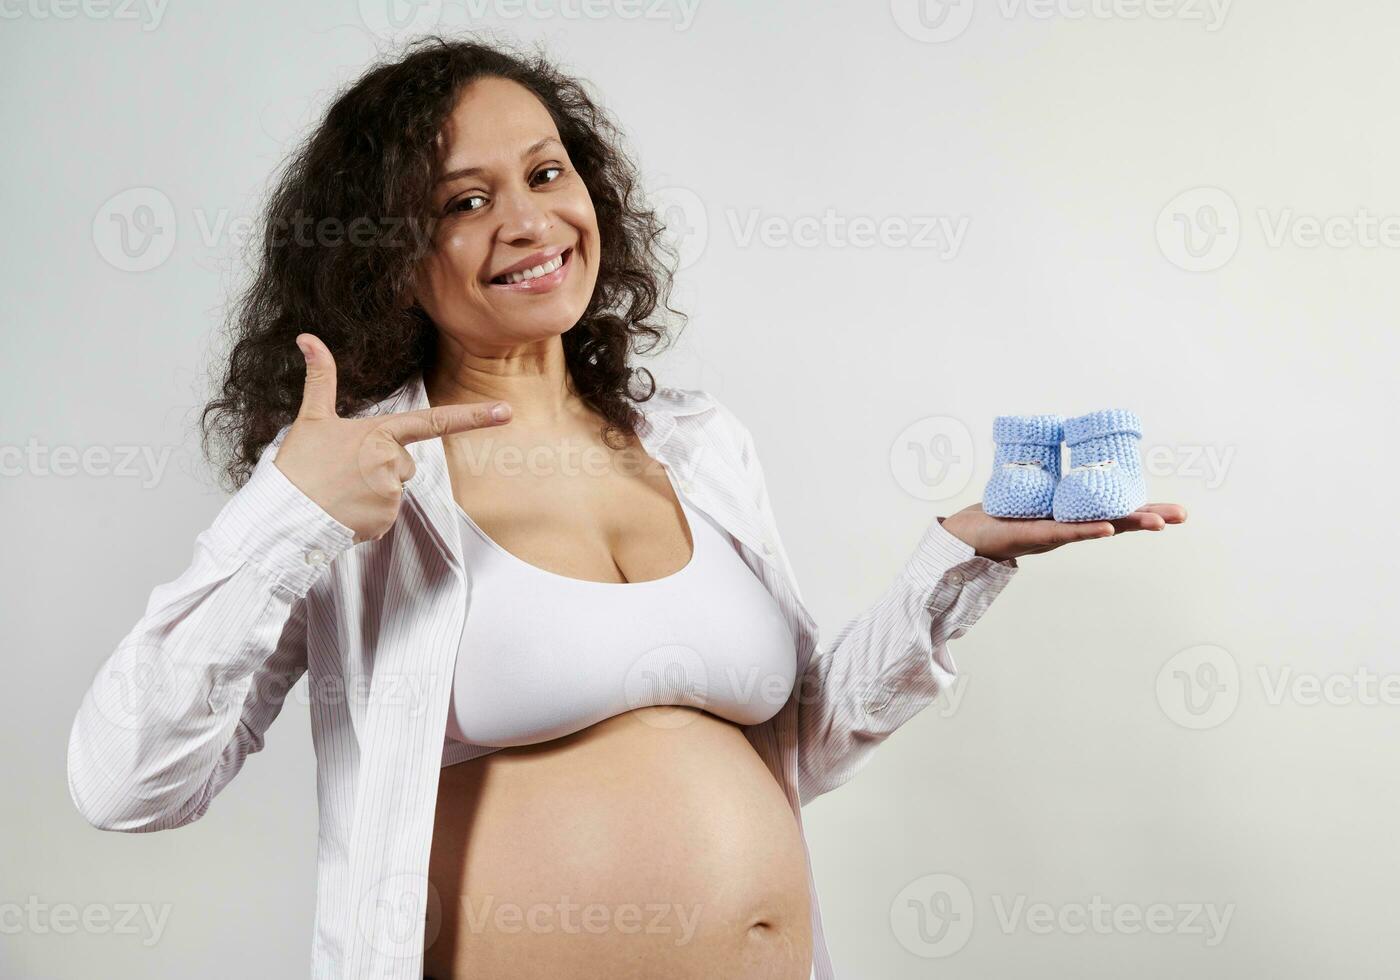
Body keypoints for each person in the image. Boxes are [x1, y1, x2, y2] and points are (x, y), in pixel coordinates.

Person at [65, 36, 1186, 980]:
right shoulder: (360, 484)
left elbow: (791, 749)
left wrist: (955, 561)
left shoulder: (695, 444)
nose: (528, 220)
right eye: (464, 201)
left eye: (547, 174)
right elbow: (129, 783)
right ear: (390, 258)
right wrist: (286, 510)